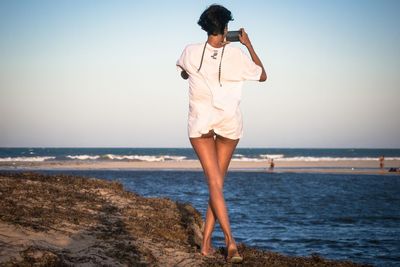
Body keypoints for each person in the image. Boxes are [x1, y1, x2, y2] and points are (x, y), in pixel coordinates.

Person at [176, 4, 267, 263]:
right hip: (228, 124)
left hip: (200, 124)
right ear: (227, 29)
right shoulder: (237, 54)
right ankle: (228, 243)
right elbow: (262, 76)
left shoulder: (190, 51)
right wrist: (248, 44)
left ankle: (210, 244)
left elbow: (184, 72)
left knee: (214, 185)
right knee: (217, 184)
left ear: (206, 27)